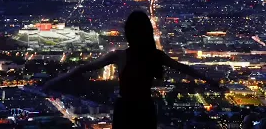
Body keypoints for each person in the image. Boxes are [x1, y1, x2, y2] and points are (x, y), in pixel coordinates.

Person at [43, 10, 222, 129]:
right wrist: (211, 81)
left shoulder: (120, 56)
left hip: (125, 108)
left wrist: (55, 81)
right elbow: (185, 68)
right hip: (145, 108)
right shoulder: (155, 56)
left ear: (128, 33)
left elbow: (83, 68)